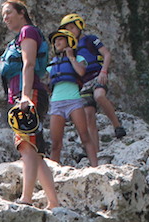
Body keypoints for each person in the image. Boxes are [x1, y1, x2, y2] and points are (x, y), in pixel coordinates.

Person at [0, 1, 60, 209]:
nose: (5, 18)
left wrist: (25, 97)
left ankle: (26, 198)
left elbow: (29, 63)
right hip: (25, 94)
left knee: (25, 145)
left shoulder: (28, 32)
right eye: (2, 15)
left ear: (22, 12)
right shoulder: (19, 37)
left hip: (29, 94)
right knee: (34, 149)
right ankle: (53, 202)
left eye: (8, 12)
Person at [58, 12, 126, 151]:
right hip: (84, 82)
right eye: (67, 29)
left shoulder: (90, 39)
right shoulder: (71, 49)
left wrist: (104, 71)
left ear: (79, 26)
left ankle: (117, 125)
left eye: (72, 27)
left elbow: (106, 54)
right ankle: (94, 150)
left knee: (99, 96)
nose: (70, 31)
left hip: (97, 75)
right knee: (89, 116)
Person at [46, 28, 98, 167]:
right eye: (55, 40)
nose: (57, 42)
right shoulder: (52, 64)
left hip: (74, 101)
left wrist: (71, 57)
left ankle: (95, 166)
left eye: (60, 39)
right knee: (56, 143)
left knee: (84, 136)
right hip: (56, 102)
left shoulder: (79, 59)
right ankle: (52, 172)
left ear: (69, 41)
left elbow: (81, 71)